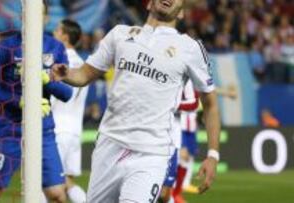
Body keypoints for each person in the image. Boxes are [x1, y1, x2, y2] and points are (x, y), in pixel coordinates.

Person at [52, 0, 221, 202]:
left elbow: (210, 104)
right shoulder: (120, 34)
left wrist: (213, 154)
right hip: (109, 145)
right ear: (149, 4)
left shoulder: (190, 48)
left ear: (181, 13)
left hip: (151, 153)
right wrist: (66, 74)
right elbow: (84, 74)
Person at [0, 2, 72, 203]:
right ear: (22, 17)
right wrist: (20, 102)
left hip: (43, 130)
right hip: (10, 130)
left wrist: (45, 78)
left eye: (37, 15)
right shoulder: (6, 47)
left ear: (45, 18)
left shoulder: (55, 48)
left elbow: (66, 93)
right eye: (27, 14)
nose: (31, 18)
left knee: (57, 195)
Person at [51, 19, 88, 203]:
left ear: (65, 36)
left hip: (56, 130)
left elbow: (53, 97)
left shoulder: (60, 63)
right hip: (74, 131)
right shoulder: (82, 65)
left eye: (57, 30)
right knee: (68, 182)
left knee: (47, 184)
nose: (54, 32)